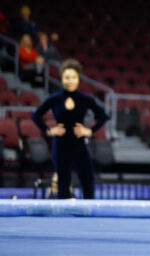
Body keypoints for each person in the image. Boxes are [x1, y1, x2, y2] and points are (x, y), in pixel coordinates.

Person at [31, 59, 109, 199]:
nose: (70, 80)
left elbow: (103, 116)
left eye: (73, 77)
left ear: (78, 79)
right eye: (67, 77)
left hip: (79, 144)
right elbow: (36, 116)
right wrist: (49, 130)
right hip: (60, 145)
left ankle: (89, 214)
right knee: (63, 182)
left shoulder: (85, 99)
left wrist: (90, 131)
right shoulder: (55, 98)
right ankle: (64, 217)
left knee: (87, 180)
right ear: (62, 79)